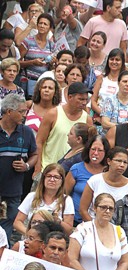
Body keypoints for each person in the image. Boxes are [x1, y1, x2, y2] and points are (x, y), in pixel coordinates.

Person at [68, 193, 128, 270]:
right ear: (95, 208)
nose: (107, 211)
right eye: (103, 207)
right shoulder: (82, 229)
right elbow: (72, 259)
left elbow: (124, 262)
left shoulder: (119, 231)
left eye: (111, 208)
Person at [0, 94, 38, 241]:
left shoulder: (26, 132)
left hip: (13, 191)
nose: (25, 115)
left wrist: (26, 165)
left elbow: (35, 154)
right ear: (9, 111)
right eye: (21, 111)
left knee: (7, 229)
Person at [34, 82, 91, 175]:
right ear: (70, 97)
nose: (84, 103)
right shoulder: (53, 114)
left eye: (86, 100)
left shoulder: (87, 119)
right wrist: (37, 167)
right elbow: (39, 141)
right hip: (47, 169)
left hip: (71, 174)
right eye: (80, 99)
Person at [14, 163, 75, 236]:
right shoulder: (32, 196)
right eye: (49, 176)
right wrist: (30, 234)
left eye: (56, 177)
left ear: (62, 181)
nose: (52, 180)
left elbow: (69, 230)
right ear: (43, 179)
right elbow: (17, 222)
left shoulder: (66, 200)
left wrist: (57, 220)